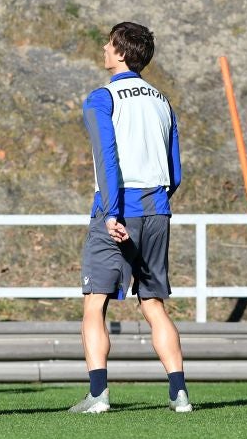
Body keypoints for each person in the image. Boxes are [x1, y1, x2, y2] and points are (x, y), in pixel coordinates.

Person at [71, 21, 190, 415]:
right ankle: (179, 394)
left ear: (121, 52)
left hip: (118, 209)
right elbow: (175, 172)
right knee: (153, 304)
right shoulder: (162, 101)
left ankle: (98, 395)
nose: (104, 49)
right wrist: (155, 205)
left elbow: (107, 159)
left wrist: (110, 214)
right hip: (157, 209)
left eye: (109, 44)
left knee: (95, 303)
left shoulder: (101, 98)